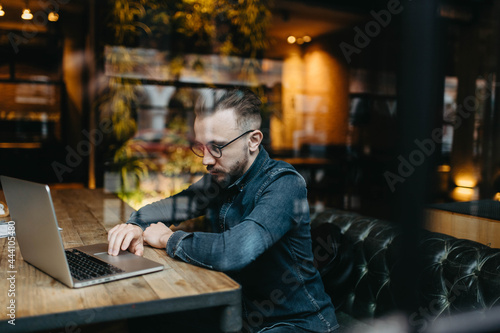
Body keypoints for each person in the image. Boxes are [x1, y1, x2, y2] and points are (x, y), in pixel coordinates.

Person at [107, 89, 339, 333]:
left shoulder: (284, 184)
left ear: (253, 140)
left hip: (298, 323)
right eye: (202, 147)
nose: (206, 160)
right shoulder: (222, 179)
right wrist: (134, 225)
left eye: (217, 147)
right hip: (243, 315)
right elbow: (170, 206)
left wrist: (168, 238)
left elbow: (236, 251)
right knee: (145, 318)